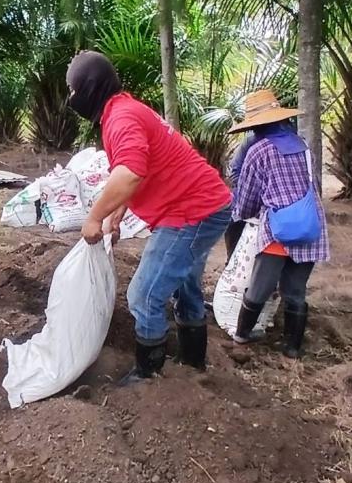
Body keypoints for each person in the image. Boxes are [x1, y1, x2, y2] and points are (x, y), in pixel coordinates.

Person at [67, 51, 234, 383]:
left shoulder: (120, 118)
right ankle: (193, 364)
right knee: (184, 283)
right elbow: (142, 172)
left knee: (142, 296)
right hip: (205, 203)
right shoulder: (125, 109)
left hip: (191, 211)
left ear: (89, 88)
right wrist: (117, 214)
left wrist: (94, 217)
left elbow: (129, 174)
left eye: (72, 90)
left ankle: (148, 374)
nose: (71, 99)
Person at [227, 89, 330, 358]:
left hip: (279, 231)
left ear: (257, 126)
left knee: (260, 287)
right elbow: (313, 185)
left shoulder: (259, 150)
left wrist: (241, 214)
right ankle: (292, 348)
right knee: (295, 291)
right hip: (311, 227)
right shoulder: (302, 145)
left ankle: (241, 337)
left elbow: (248, 196)